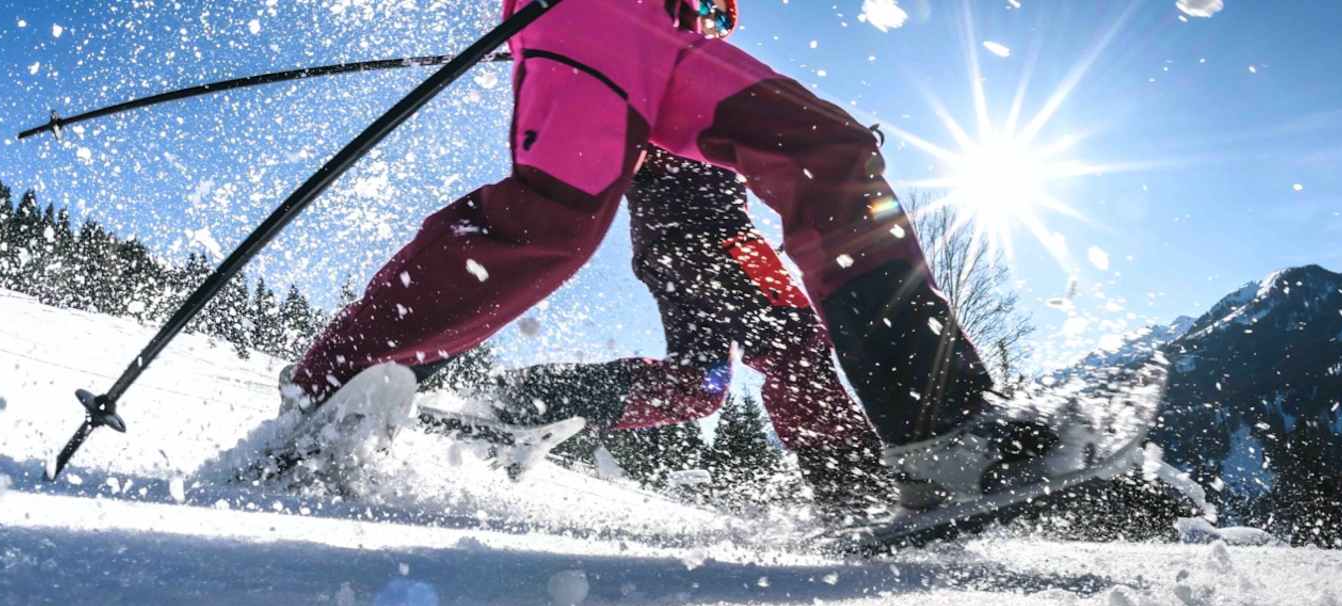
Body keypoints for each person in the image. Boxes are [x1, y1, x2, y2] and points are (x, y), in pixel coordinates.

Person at [285, 0, 1099, 516]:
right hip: (600, 21)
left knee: (831, 151)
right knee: (557, 221)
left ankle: (945, 433)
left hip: (675, 32)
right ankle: (330, 394)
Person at [475, 146, 891, 515]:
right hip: (720, 235)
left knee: (698, 385)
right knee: (795, 346)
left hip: (672, 244)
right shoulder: (676, 76)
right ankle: (855, 495)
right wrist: (830, 146)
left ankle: (534, 396)